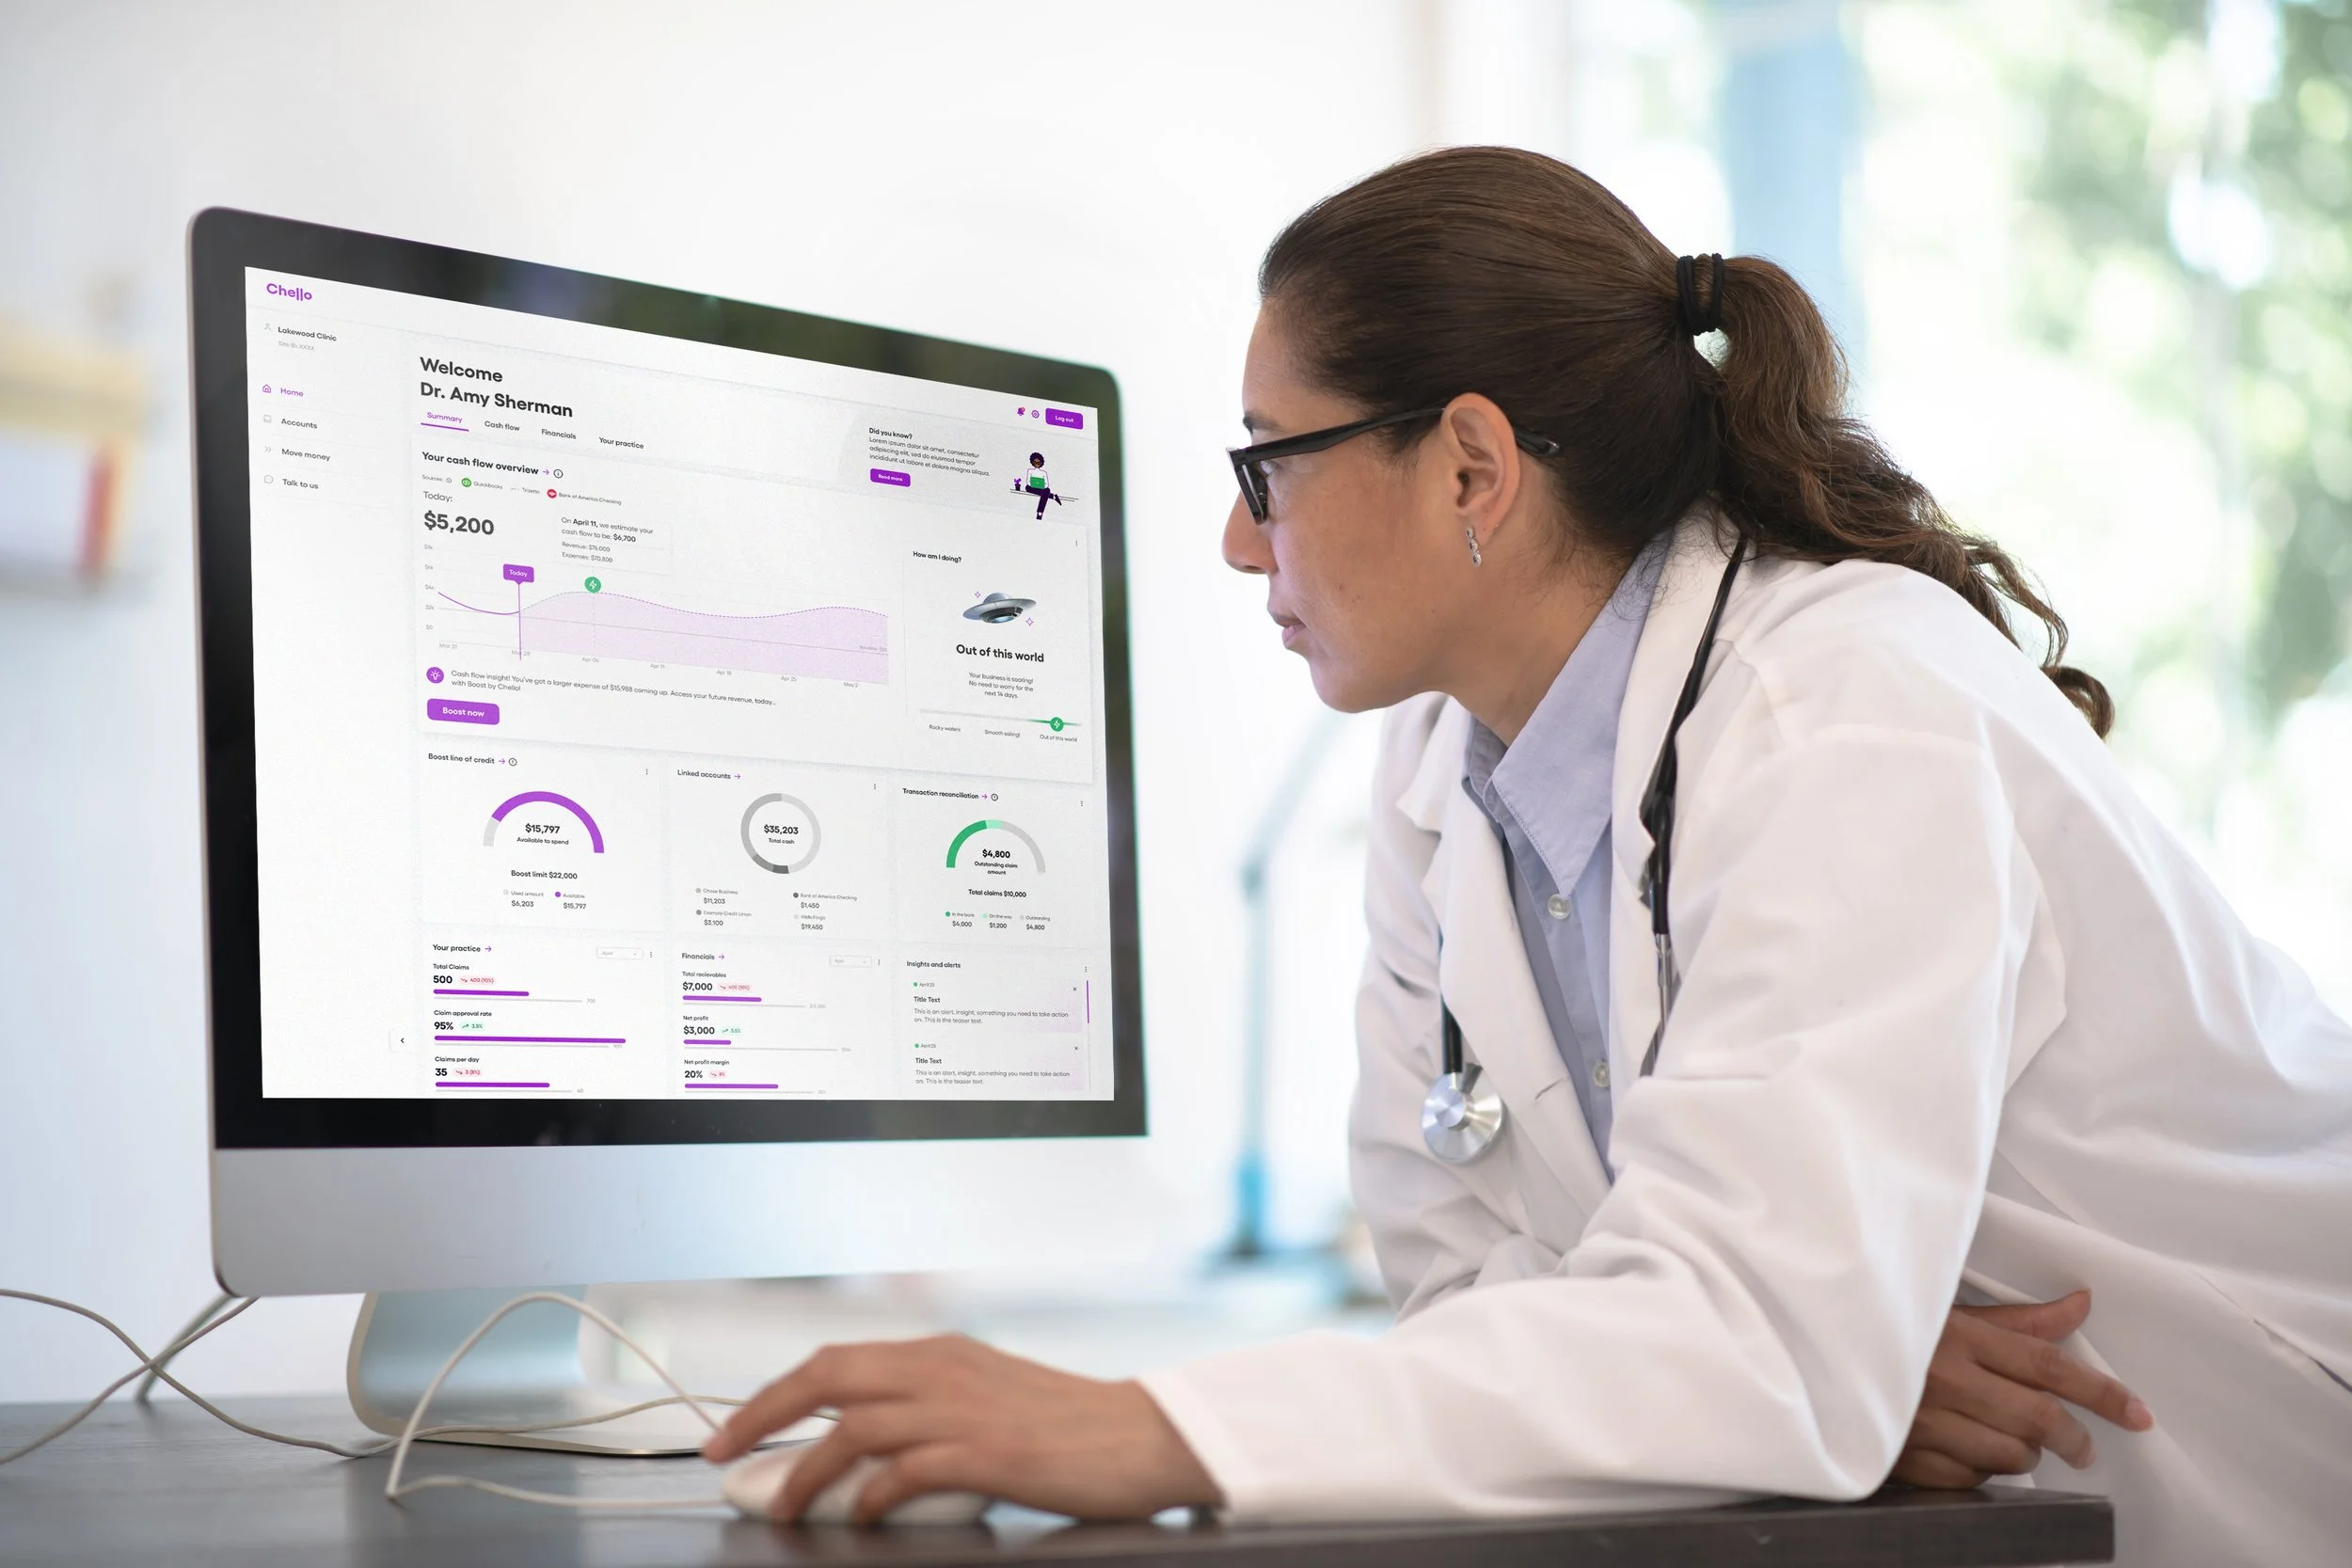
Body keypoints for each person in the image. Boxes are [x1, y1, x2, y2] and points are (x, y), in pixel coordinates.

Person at [703, 149, 2352, 1565]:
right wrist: (1795, 1363)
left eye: (1267, 463)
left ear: (1474, 466)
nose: (1231, 537)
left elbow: (1745, 1334)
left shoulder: (1846, 705)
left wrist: (1154, 1425)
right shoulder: (1442, 767)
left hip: (2249, 1464)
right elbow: (1470, 1290)